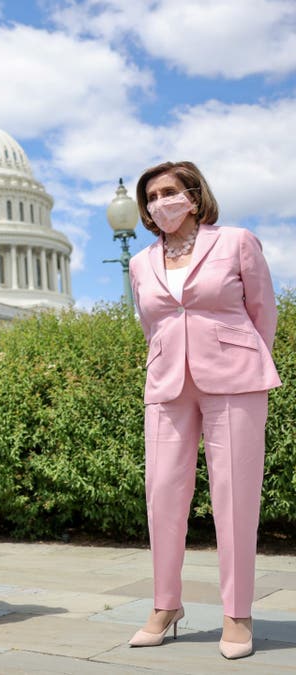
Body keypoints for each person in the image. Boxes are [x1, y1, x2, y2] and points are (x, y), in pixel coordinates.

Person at [126, 161, 279, 660]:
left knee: (235, 496)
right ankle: (165, 605)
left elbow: (263, 313)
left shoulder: (236, 242)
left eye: (168, 192)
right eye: (150, 197)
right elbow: (153, 324)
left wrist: (245, 361)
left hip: (234, 378)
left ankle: (237, 613)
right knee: (162, 494)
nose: (158, 203)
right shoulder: (140, 262)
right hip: (168, 383)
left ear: (192, 195)